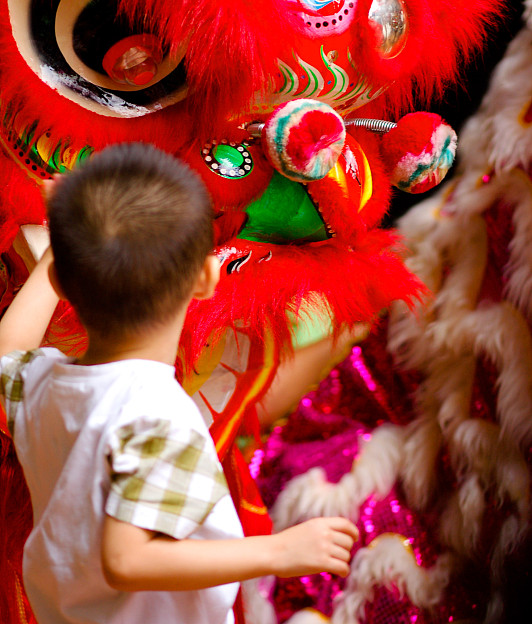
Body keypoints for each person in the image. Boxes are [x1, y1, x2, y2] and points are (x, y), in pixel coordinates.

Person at [0, 141, 358, 624]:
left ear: (64, 283)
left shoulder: (45, 383)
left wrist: (52, 261)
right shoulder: (157, 417)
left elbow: (7, 351)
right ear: (207, 278)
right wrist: (279, 551)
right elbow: (128, 560)